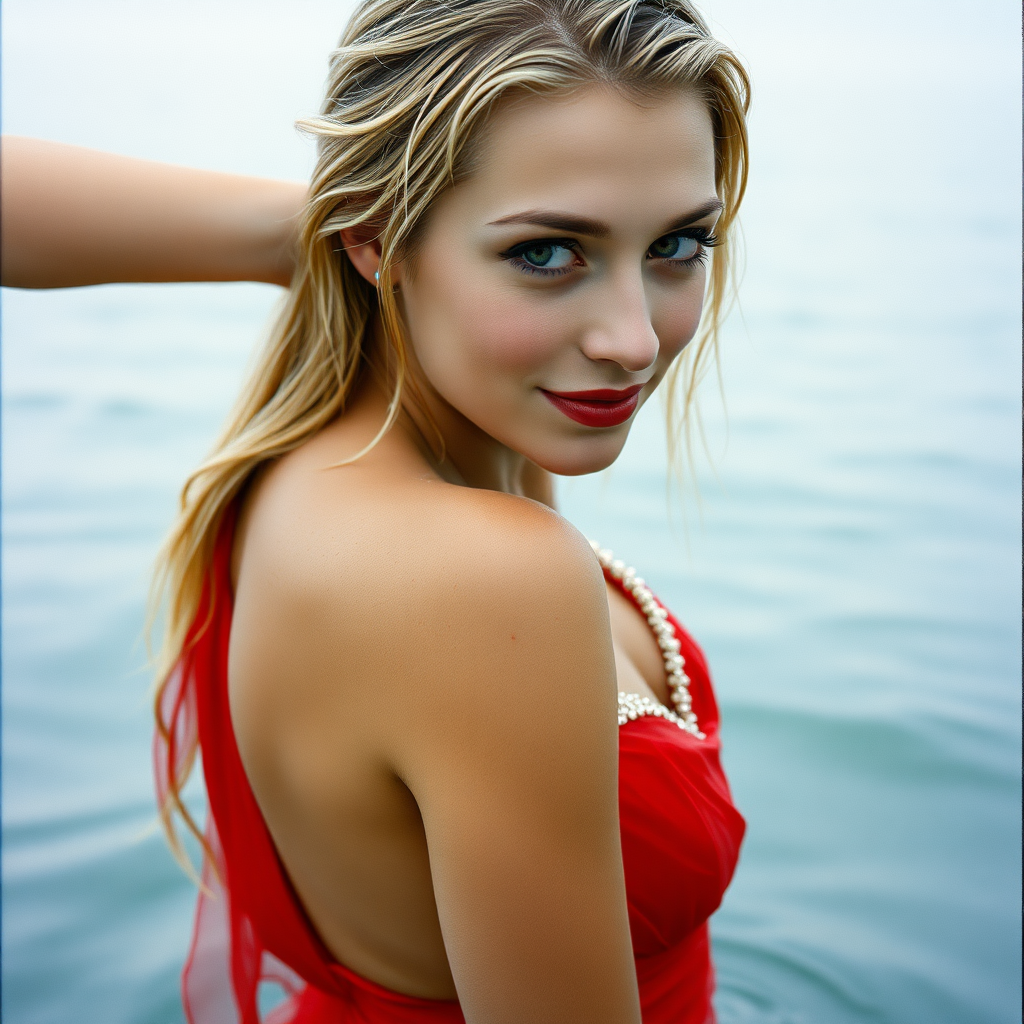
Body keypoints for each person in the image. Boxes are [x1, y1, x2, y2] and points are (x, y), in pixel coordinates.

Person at [1, 0, 750, 1021]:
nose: (630, 337)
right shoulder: (484, 576)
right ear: (377, 239)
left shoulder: (359, 468)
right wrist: (349, 223)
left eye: (678, 242)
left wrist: (347, 229)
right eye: (546, 252)